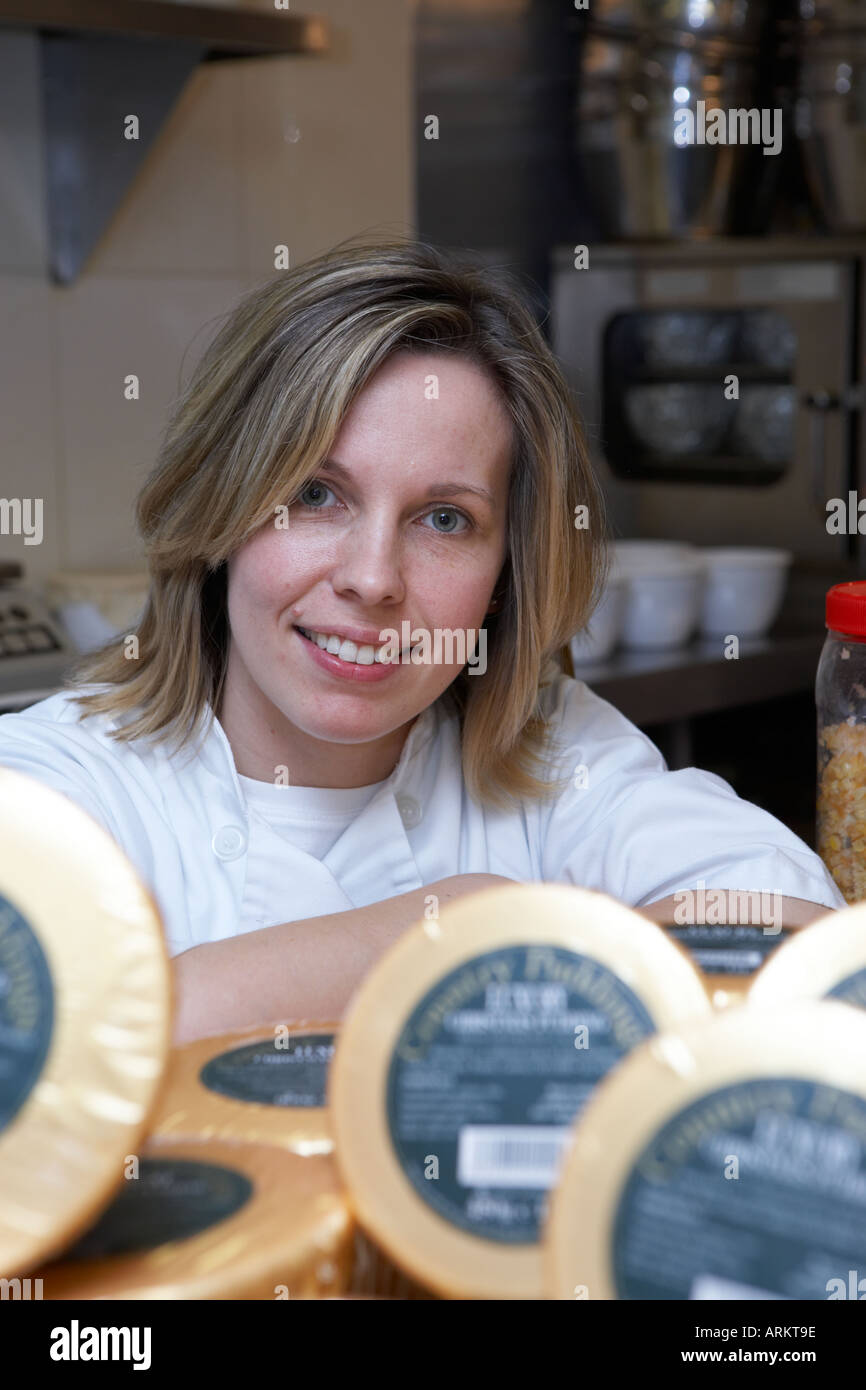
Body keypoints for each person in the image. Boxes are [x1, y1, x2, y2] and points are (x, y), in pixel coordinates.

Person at [0, 237, 844, 1043]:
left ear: (507, 570)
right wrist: (461, 921)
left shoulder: (553, 752)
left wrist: (506, 935)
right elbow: (52, 1044)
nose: (373, 579)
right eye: (317, 495)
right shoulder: (57, 786)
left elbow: (795, 937)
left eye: (445, 519)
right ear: (221, 511)